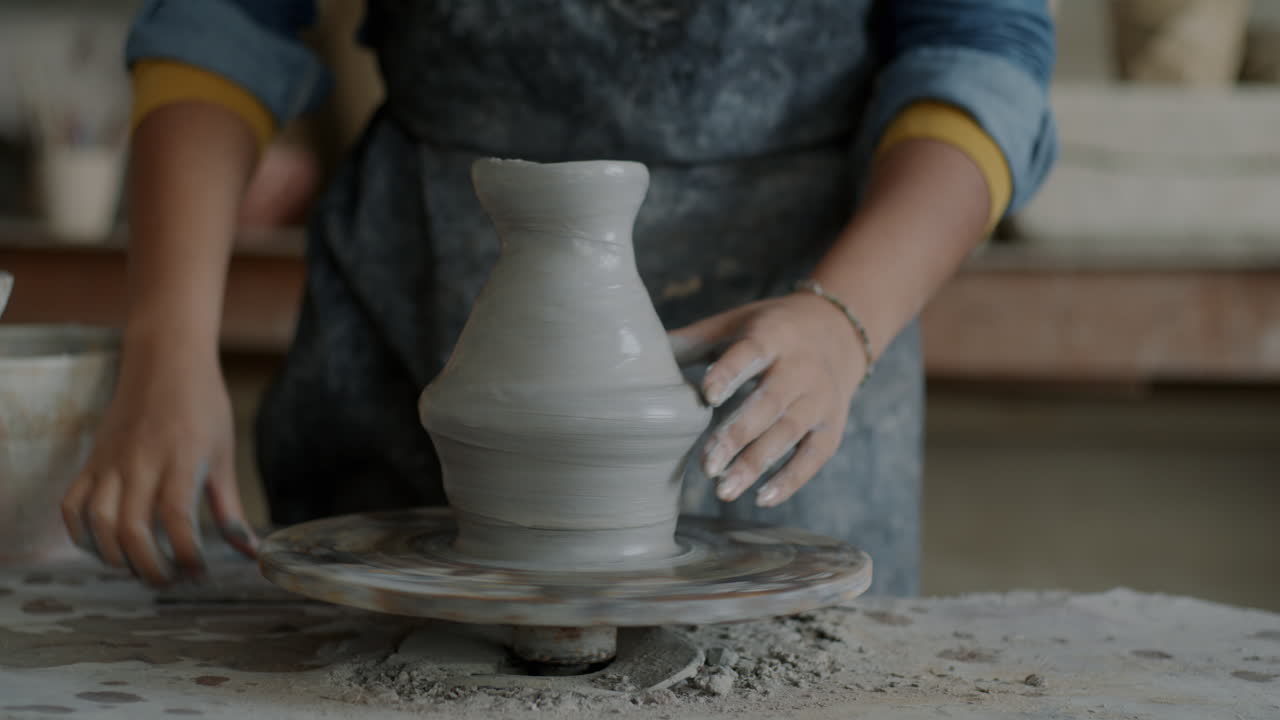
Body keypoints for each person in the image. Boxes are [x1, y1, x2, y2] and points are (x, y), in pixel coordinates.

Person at [61, 1, 1057, 593]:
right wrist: (168, 343)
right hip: (419, 288)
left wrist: (845, 315)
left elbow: (982, 44)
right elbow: (226, 14)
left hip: (806, 317)